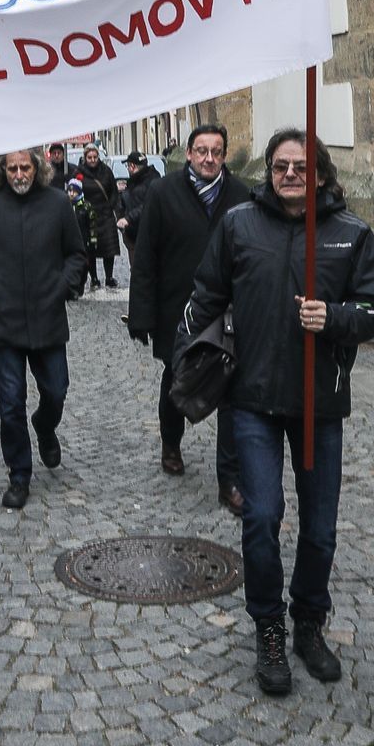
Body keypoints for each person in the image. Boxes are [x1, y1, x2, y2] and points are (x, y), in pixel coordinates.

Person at [187, 127, 374, 697]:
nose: (291, 175)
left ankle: (307, 620)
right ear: (268, 172)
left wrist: (335, 318)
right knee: (261, 517)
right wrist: (193, 352)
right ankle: (269, 626)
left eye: (301, 166)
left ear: (321, 172)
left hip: (318, 401)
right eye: (280, 166)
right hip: (252, 397)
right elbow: (207, 293)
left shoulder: (350, 235)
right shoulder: (238, 225)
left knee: (320, 530)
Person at [127, 122, 249, 505]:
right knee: (176, 380)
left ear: (224, 155)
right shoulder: (164, 192)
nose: (208, 158)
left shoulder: (241, 194)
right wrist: (141, 315)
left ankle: (229, 479)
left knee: (231, 388)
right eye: (201, 151)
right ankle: (171, 443)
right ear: (190, 154)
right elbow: (145, 256)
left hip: (228, 310)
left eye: (216, 151)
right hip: (176, 308)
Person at [0, 148, 89, 508]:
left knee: (57, 390)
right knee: (9, 404)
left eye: (25, 167)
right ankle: (19, 474)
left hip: (48, 318)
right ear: (2, 171)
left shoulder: (57, 204)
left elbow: (76, 253)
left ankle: (45, 426)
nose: (20, 174)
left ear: (38, 168)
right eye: (13, 168)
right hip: (5, 322)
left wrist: (62, 286)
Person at [77, 141, 120, 287]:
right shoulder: (79, 173)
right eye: (90, 157)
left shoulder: (106, 171)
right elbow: (75, 192)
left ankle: (109, 277)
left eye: (95, 157)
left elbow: (113, 191)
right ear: (85, 158)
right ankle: (94, 278)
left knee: (109, 248)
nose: (93, 160)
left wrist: (113, 207)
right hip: (88, 216)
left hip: (105, 214)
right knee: (90, 249)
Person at [116, 150, 157, 259]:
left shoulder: (149, 183)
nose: (128, 169)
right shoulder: (137, 181)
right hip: (133, 233)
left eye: (128, 166)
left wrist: (128, 219)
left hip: (144, 234)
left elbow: (146, 206)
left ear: (132, 166)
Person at [65, 175, 100, 289]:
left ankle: (93, 279)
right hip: (71, 240)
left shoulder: (86, 206)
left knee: (88, 261)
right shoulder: (66, 205)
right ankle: (75, 283)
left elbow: (92, 224)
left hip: (85, 240)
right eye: (69, 191)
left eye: (74, 191)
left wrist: (93, 240)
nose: (71, 194)